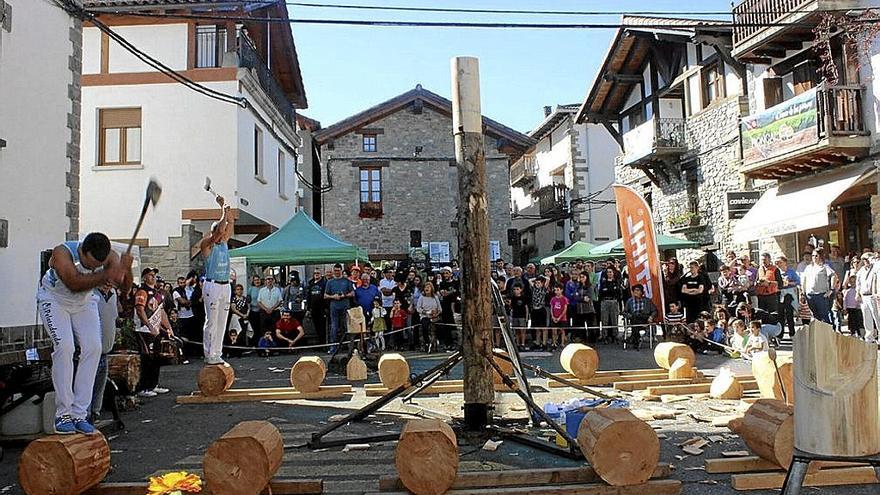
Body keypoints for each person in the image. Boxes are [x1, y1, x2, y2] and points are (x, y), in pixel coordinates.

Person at [39, 233, 130, 435]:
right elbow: (74, 282)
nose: (90, 268)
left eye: (95, 266)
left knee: (94, 348)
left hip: (84, 303)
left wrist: (125, 269)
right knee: (65, 347)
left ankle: (79, 414)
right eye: (88, 265)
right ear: (82, 250)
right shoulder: (62, 252)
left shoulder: (110, 256)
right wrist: (106, 275)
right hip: (54, 301)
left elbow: (125, 287)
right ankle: (63, 414)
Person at [198, 194, 234, 365]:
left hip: (225, 285)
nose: (224, 234)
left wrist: (227, 210)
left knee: (222, 320)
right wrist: (222, 211)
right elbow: (220, 229)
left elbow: (230, 224)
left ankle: (217, 352)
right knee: (211, 320)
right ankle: (209, 353)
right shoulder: (207, 243)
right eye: (221, 231)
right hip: (212, 284)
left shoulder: (224, 243)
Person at [134, 267, 173, 398]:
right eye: (150, 275)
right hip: (144, 331)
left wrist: (168, 328)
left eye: (154, 275)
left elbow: (161, 312)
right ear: (144, 277)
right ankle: (144, 387)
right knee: (147, 359)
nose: (153, 277)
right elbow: (140, 310)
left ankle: (153, 384)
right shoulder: (142, 291)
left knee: (156, 358)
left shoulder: (158, 293)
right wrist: (149, 326)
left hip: (155, 330)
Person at [91, 283, 119, 421]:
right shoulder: (90, 294)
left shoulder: (113, 294)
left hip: (105, 349)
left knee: (100, 385)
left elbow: (113, 317)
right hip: (90, 350)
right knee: (88, 383)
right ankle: (84, 414)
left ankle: (95, 412)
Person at [800, 250, 838, 325]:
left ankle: (828, 333)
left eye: (816, 255)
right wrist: (803, 292)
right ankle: (819, 333)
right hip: (810, 295)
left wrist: (831, 289)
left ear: (820, 257)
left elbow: (834, 276)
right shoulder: (808, 267)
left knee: (824, 316)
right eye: (813, 255)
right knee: (815, 316)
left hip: (821, 295)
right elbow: (804, 280)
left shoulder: (824, 267)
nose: (814, 257)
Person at [324, 263, 355, 353]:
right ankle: (333, 347)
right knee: (334, 327)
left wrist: (344, 295)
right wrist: (333, 296)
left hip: (345, 307)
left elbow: (352, 293)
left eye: (338, 270)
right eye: (335, 270)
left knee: (347, 327)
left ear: (341, 270)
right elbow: (325, 295)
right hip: (334, 307)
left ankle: (349, 346)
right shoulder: (330, 282)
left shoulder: (347, 281)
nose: (337, 272)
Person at [622, 284, 656, 349]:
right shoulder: (630, 301)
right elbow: (624, 312)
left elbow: (654, 310)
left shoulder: (647, 301)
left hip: (644, 318)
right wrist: (628, 315)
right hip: (634, 318)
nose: (635, 292)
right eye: (634, 290)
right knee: (635, 317)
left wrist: (651, 317)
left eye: (637, 290)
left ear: (641, 292)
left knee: (636, 319)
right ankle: (635, 340)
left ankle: (633, 338)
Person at [776, 256, 800, 338]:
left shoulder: (791, 272)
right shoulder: (777, 271)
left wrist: (789, 283)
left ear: (785, 263)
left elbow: (798, 281)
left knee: (789, 313)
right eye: (777, 263)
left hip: (788, 294)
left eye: (780, 262)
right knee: (780, 315)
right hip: (779, 294)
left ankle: (792, 333)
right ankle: (780, 334)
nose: (778, 264)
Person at [855, 253, 878, 343]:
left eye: (867, 259)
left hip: (872, 295)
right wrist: (857, 293)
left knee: (877, 317)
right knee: (866, 317)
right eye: (864, 259)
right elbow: (858, 283)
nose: (866, 261)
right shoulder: (861, 270)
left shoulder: (875, 269)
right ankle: (869, 337)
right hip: (863, 296)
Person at [437, 267, 461, 349]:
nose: (445, 275)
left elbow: (458, 292)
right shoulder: (442, 284)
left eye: (447, 273)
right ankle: (447, 343)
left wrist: (451, 292)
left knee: (455, 325)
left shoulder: (456, 282)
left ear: (451, 273)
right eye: (444, 273)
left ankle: (456, 343)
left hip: (455, 306)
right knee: (446, 325)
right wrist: (452, 291)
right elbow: (444, 294)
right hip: (446, 306)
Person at [415, 281, 442, 352]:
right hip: (425, 315)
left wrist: (436, 314)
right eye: (425, 287)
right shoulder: (421, 297)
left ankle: (437, 342)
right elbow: (418, 308)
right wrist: (426, 313)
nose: (426, 289)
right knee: (425, 326)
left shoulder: (435, 297)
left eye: (428, 287)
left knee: (439, 326)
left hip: (434, 316)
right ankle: (427, 342)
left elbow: (440, 309)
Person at [597, 267, 621, 343]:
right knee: (605, 320)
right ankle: (605, 336)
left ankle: (615, 336)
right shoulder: (603, 283)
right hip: (605, 301)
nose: (609, 274)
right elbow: (601, 293)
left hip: (614, 301)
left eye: (611, 272)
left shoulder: (616, 282)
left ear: (613, 273)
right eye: (608, 272)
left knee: (614, 319)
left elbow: (618, 293)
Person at [572, 272, 596, 343]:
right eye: (581, 277)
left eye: (583, 277)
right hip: (580, 310)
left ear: (586, 277)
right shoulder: (578, 286)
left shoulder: (590, 287)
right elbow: (575, 296)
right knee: (581, 327)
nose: (582, 278)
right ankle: (583, 339)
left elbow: (589, 298)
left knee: (590, 327)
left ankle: (591, 341)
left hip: (588, 310)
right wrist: (582, 298)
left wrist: (579, 298)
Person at [305, 269, 327, 344]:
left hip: (322, 309)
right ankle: (320, 342)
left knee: (322, 327)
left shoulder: (324, 283)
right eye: (315, 273)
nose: (316, 274)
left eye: (318, 273)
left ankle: (323, 343)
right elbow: (308, 297)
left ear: (321, 274)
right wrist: (308, 309)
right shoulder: (311, 284)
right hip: (313, 309)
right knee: (316, 327)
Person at [548, 284, 569, 350]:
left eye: (558, 290)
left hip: (562, 318)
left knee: (562, 330)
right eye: (555, 290)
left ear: (561, 290)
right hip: (554, 317)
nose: (556, 292)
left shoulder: (564, 299)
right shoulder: (553, 299)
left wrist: (560, 317)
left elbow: (565, 309)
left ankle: (562, 343)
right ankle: (554, 343)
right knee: (554, 331)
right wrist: (553, 317)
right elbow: (551, 308)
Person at [509, 284, 529, 351]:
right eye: (514, 289)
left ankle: (522, 344)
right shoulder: (513, 298)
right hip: (515, 316)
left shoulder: (524, 298)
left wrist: (526, 317)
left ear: (521, 290)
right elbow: (511, 307)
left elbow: (526, 308)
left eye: (517, 289)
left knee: (522, 331)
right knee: (516, 330)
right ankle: (517, 344)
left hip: (522, 316)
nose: (516, 291)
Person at [246, 275, 263, 340]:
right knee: (253, 328)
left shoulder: (263, 288)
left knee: (261, 328)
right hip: (253, 312)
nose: (257, 281)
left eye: (258, 280)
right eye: (255, 280)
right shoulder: (251, 289)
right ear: (253, 281)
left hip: (262, 311)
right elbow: (248, 300)